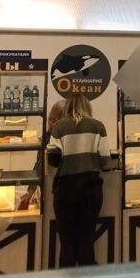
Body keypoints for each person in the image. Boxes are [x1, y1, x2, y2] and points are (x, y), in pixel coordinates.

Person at [47, 93, 110, 267]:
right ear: (87, 107)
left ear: (68, 107)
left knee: (67, 243)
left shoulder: (58, 127)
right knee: (87, 240)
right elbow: (105, 160)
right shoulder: (98, 126)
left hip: (65, 191)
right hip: (91, 191)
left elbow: (53, 159)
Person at [18, 100, 66, 211]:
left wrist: (30, 191)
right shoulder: (51, 137)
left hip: (54, 188)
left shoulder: (48, 135)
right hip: (55, 188)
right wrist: (30, 190)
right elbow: (41, 164)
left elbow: (39, 163)